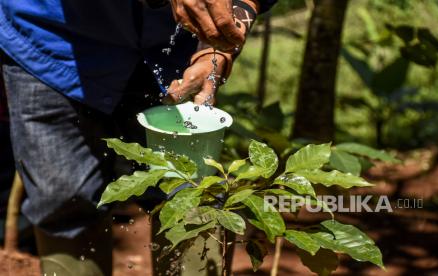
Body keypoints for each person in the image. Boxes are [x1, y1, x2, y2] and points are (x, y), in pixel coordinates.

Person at [0, 0, 276, 275]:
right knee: (63, 197)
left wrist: (221, 39)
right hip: (53, 40)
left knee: (192, 198)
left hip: (178, 46)